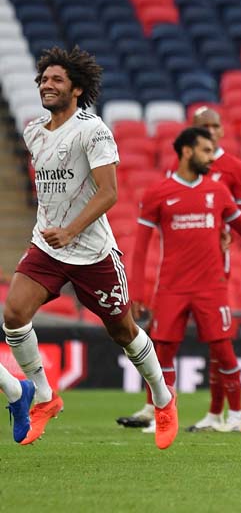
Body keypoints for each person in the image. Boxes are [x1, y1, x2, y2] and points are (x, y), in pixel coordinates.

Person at [3, 46, 178, 448]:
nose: (47, 85)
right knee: (14, 315)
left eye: (56, 80)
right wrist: (54, 231)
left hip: (92, 252)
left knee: (122, 330)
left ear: (77, 89)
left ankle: (165, 402)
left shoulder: (92, 130)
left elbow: (109, 192)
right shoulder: (32, 131)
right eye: (44, 79)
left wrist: (70, 229)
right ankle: (45, 397)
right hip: (47, 247)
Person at [117, 106, 241, 432]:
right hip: (172, 286)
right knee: (163, 349)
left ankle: (234, 417)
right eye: (206, 150)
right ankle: (162, 414)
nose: (212, 157)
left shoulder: (219, 190)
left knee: (223, 348)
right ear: (187, 151)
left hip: (211, 285)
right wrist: (136, 290)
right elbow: (141, 247)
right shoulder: (158, 193)